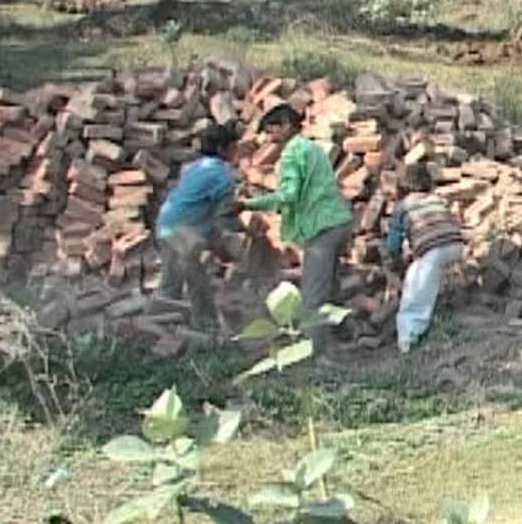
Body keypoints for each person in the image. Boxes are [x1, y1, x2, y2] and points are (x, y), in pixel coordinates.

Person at [239, 103, 353, 362]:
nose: (270, 139)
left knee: (314, 293)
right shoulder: (312, 148)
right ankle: (343, 333)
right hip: (339, 223)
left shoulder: (291, 154)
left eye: (273, 131)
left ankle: (318, 355)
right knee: (331, 284)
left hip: (320, 228)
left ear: (288, 126)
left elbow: (288, 197)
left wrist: (248, 204)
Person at [155, 123, 241, 330]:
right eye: (233, 147)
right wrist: (242, 234)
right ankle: (204, 326)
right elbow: (225, 217)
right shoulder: (223, 175)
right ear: (222, 149)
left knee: (174, 278)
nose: (236, 152)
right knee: (194, 279)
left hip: (166, 222)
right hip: (182, 230)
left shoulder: (194, 166)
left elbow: (202, 208)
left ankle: (164, 325)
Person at [381, 190, 466, 353]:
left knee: (414, 297)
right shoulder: (437, 199)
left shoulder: (403, 206)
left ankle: (408, 340)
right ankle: (443, 308)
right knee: (434, 274)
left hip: (434, 250)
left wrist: (392, 265)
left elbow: (393, 244)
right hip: (456, 244)